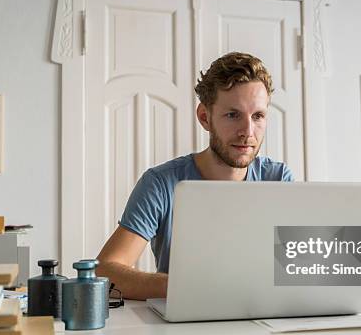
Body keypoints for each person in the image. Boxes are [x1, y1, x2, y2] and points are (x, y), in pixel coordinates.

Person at [96, 52, 294, 300]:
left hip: (261, 320)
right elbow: (105, 271)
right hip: (183, 327)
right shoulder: (161, 184)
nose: (248, 132)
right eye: (233, 115)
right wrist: (190, 287)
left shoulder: (277, 179)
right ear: (204, 117)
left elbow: (294, 269)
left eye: (258, 116)